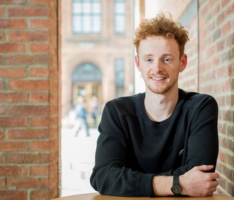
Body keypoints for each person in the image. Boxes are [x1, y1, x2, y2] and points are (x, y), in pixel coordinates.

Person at [90, 13, 219, 197]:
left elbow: (201, 179)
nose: (157, 68)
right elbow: (103, 177)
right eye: (149, 59)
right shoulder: (117, 111)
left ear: (182, 63)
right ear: (138, 63)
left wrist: (130, 181)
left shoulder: (201, 108)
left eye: (166, 59)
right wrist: (178, 184)